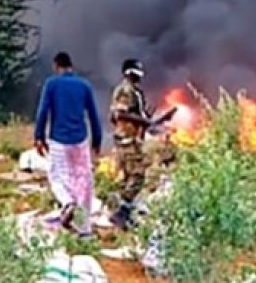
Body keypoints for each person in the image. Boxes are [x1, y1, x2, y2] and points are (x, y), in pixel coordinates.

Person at [33, 52, 103, 237]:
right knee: (84, 181)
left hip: (58, 140)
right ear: (71, 66)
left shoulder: (52, 84)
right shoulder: (84, 85)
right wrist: (97, 140)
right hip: (80, 141)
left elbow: (43, 112)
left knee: (57, 176)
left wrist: (38, 136)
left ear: (57, 67)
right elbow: (94, 116)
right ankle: (84, 229)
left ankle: (67, 202)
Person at [109, 59, 174, 230]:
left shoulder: (135, 92)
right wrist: (145, 120)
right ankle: (121, 213)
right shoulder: (125, 90)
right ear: (127, 73)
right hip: (127, 140)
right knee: (138, 176)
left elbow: (129, 115)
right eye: (134, 73)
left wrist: (151, 120)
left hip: (131, 139)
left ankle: (124, 215)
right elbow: (120, 114)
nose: (137, 77)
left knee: (129, 176)